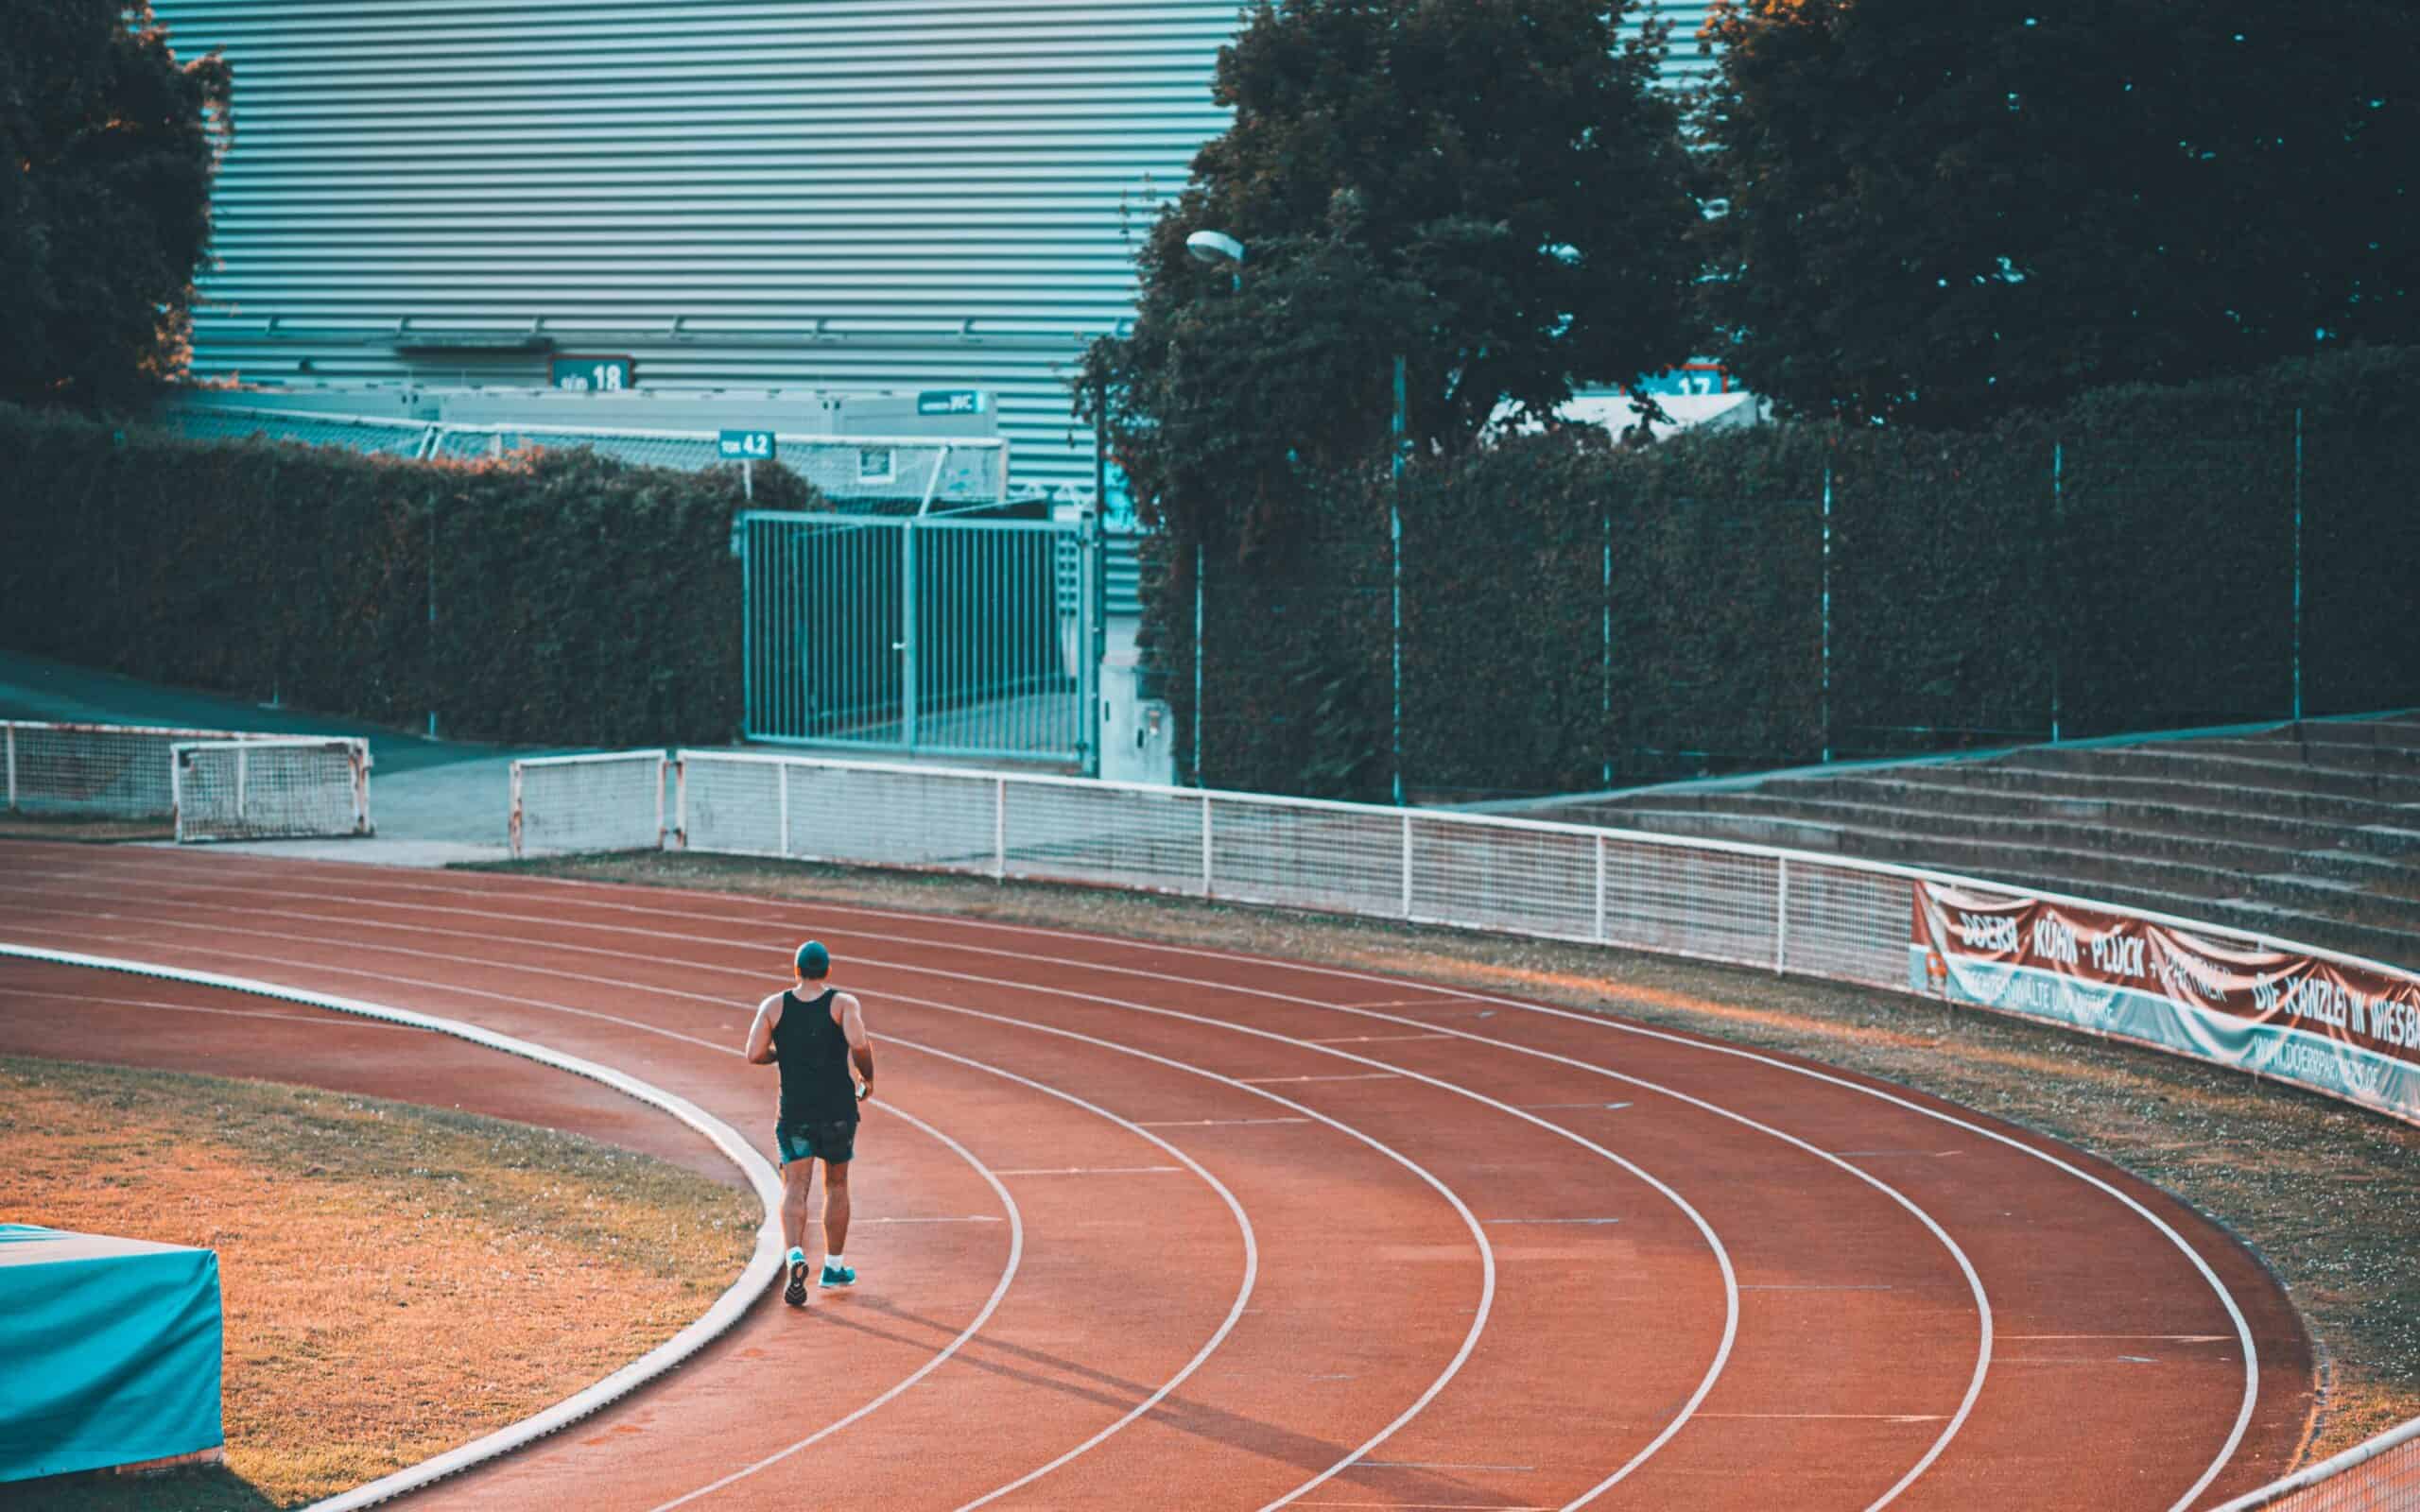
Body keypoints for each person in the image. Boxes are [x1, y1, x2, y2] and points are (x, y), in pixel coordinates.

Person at [744, 939, 873, 1306]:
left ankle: (795, 1256)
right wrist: (868, 1076)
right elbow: (859, 1043)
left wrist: (782, 1053)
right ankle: (833, 1267)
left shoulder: (774, 1007)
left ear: (796, 971)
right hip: (836, 1110)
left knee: (795, 1186)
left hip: (795, 1111)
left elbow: (753, 1053)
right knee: (836, 1182)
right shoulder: (843, 1004)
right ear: (828, 971)